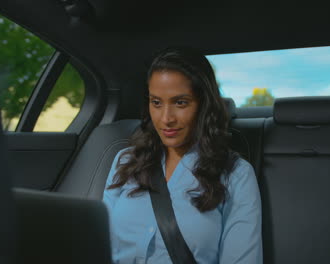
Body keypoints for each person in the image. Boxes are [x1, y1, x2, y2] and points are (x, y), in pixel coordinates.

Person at [103, 47, 262, 264]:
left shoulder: (236, 174)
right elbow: (99, 243)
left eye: (180, 103)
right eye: (156, 103)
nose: (166, 118)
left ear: (203, 105)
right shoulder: (126, 161)